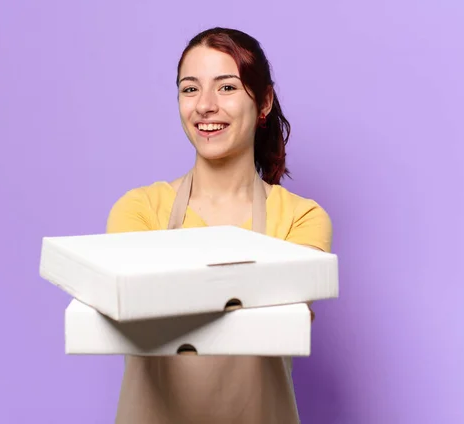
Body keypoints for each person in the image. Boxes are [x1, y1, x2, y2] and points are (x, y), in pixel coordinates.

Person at [106, 27, 332, 424]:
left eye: (226, 88)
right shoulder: (139, 210)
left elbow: (286, 322)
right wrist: (254, 292)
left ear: (263, 102)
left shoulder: (301, 218)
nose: (205, 106)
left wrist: (168, 292)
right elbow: (133, 310)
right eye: (190, 89)